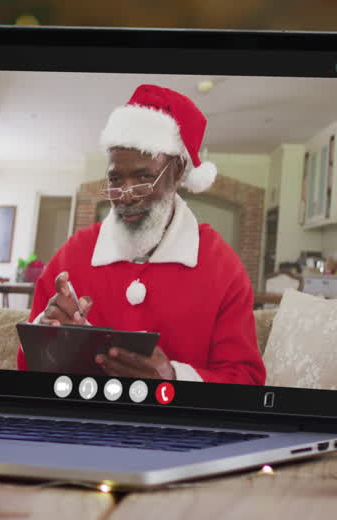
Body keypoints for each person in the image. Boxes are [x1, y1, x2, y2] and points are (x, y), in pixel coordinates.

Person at [17, 84, 265, 385]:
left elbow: (247, 382)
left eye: (144, 177)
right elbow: (27, 370)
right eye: (115, 179)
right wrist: (47, 336)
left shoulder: (222, 267)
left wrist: (174, 378)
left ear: (177, 171)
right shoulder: (74, 254)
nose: (125, 196)